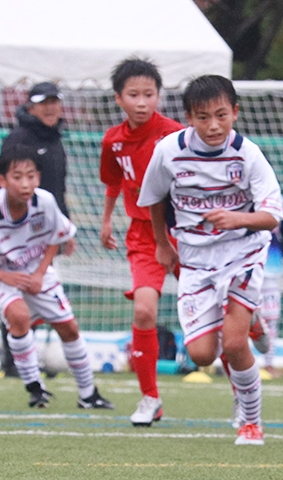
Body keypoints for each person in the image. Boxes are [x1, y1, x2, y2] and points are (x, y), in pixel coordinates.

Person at [137, 74, 283, 446]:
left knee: (233, 345)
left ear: (235, 112)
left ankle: (251, 423)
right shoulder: (168, 151)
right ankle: (252, 321)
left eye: (221, 115)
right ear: (189, 117)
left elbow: (273, 215)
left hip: (243, 252)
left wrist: (239, 218)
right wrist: (162, 244)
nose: (214, 125)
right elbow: (154, 197)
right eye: (203, 117)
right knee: (202, 355)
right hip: (195, 259)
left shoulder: (247, 154)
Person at [0, 145, 113, 409]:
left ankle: (88, 394)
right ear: (2, 181)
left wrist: (39, 273)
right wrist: (6, 277)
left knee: (69, 327)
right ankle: (35, 387)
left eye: (31, 176)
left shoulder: (45, 201)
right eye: (17, 177)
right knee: (18, 316)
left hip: (35, 271)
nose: (25, 184)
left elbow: (57, 237)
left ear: (38, 178)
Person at [99, 57, 185, 426]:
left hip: (185, 232)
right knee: (144, 311)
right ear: (119, 98)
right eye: (133, 94)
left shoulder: (176, 134)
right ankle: (150, 397)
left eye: (148, 94)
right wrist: (106, 221)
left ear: (158, 96)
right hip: (142, 235)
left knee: (220, 310)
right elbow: (114, 181)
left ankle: (243, 392)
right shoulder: (113, 140)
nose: (141, 101)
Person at [0, 81, 76, 378]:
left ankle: (24, 357)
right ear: (31, 107)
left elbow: (57, 190)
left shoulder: (55, 140)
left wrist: (66, 229)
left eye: (55, 102)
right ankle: (15, 360)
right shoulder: (19, 138)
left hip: (47, 231)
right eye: (45, 103)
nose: (51, 108)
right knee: (15, 291)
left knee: (41, 291)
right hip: (17, 233)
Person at [259, 199, 283, 379]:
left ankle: (269, 364)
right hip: (240, 267)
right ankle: (237, 363)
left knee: (270, 319)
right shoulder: (237, 196)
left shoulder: (277, 200)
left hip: (270, 269)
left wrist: (279, 252)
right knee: (236, 314)